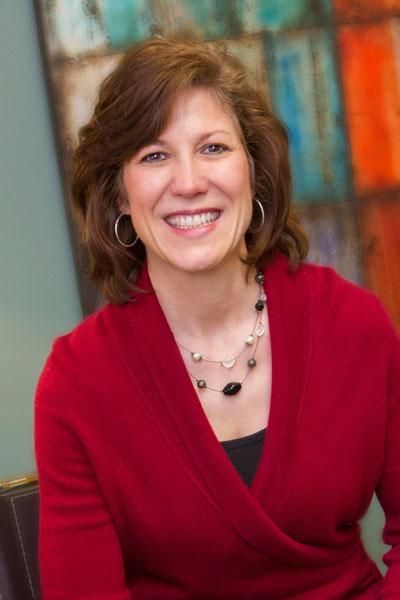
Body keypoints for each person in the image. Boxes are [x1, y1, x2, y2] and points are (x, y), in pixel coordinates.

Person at [35, 36, 400, 599]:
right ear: (119, 196)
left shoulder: (354, 327)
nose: (188, 182)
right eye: (154, 156)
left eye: (212, 148)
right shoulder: (77, 385)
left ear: (253, 171)